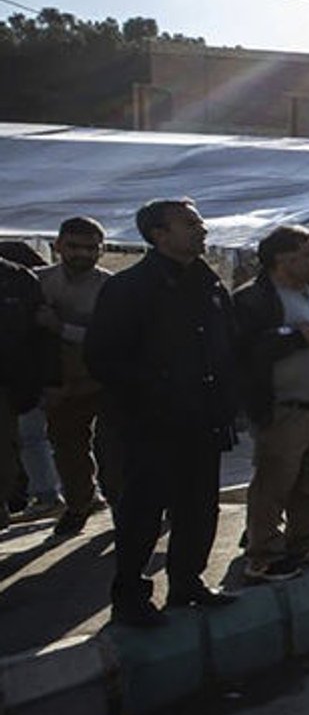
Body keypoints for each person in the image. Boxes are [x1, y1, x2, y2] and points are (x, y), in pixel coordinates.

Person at [87, 199, 240, 626]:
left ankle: (187, 582)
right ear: (159, 233)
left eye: (200, 222)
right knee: (143, 513)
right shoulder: (129, 288)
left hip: (203, 421)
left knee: (199, 507)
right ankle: (131, 599)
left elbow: (226, 347)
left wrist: (227, 402)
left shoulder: (209, 286)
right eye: (190, 223)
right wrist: (156, 395)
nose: (202, 230)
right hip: (151, 424)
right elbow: (103, 358)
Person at [232, 226, 309, 582]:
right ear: (282, 259)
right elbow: (244, 351)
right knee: (274, 483)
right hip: (286, 410)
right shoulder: (255, 299)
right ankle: (264, 554)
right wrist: (291, 337)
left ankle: (303, 544)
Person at [34, 216, 122, 537]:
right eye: (74, 246)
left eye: (91, 248)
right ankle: (79, 504)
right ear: (58, 246)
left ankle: (122, 504)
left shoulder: (111, 286)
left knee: (115, 447)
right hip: (61, 383)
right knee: (68, 448)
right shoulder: (38, 281)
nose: (82, 254)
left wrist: (61, 328)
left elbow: (110, 338)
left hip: (105, 379)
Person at [1, 251, 56, 534]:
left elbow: (39, 336)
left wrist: (43, 380)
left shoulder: (18, 279)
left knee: (8, 455)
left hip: (9, 385)